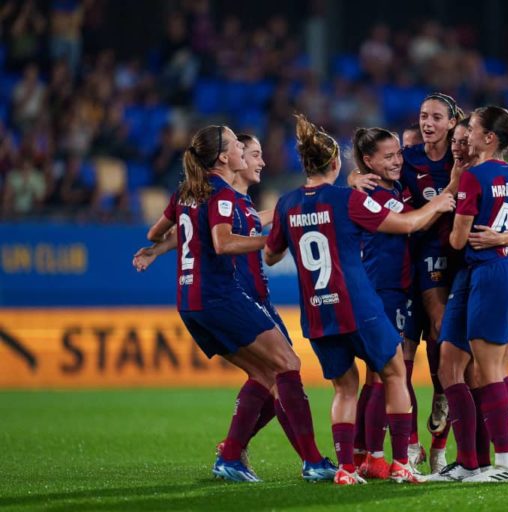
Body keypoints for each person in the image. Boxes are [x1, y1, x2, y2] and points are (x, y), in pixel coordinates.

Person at [133, 134, 336, 481]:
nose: (252, 157)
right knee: (285, 367)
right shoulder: (224, 196)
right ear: (226, 158)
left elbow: (164, 231)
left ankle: (231, 455)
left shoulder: (200, 194)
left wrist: (158, 248)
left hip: (193, 301)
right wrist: (278, 237)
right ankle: (312, 462)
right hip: (227, 296)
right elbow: (222, 241)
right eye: (243, 149)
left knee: (266, 374)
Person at [264, 114, 455, 485]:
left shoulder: (286, 204)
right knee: (394, 372)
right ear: (337, 164)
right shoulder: (347, 199)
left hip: (317, 312)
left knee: (345, 388)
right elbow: (407, 224)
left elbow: (270, 256)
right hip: (357, 304)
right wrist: (442, 202)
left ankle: (346, 468)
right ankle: (400, 461)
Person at [431, 117, 508, 483]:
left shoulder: (474, 177)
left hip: (487, 273)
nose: (466, 135)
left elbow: (457, 241)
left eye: (471, 129)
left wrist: (488, 235)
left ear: (487, 137)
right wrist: (505, 237)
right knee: (453, 364)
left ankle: (504, 463)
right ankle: (478, 461)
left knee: (487, 372)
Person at [350, 92, 464, 473]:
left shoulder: (462, 161)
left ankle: (439, 434)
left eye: (435, 117)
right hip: (402, 268)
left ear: (452, 123)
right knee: (401, 363)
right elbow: (379, 185)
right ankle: (409, 447)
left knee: (440, 333)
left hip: (445, 258)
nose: (428, 123)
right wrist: (353, 177)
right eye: (423, 116)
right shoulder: (407, 162)